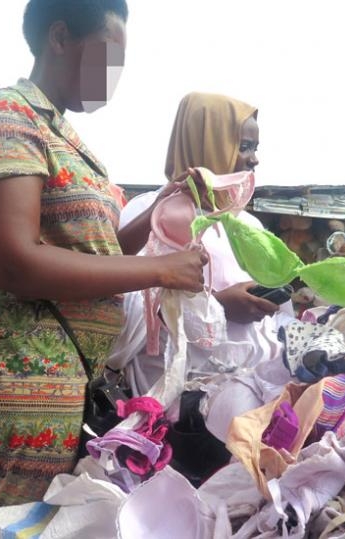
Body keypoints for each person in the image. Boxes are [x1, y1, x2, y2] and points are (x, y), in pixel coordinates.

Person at [0, 0, 207, 529]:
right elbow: (13, 262)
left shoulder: (67, 138)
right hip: (15, 371)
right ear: (59, 37)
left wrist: (160, 207)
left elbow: (95, 260)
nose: (115, 76)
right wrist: (161, 272)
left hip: (60, 377)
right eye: (109, 56)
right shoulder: (6, 115)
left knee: (33, 522)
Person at [110, 91, 293, 395]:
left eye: (255, 147)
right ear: (209, 143)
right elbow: (126, 310)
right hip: (178, 398)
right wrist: (219, 306)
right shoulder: (151, 213)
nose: (254, 158)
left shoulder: (247, 224)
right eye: (244, 146)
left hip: (251, 393)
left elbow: (282, 317)